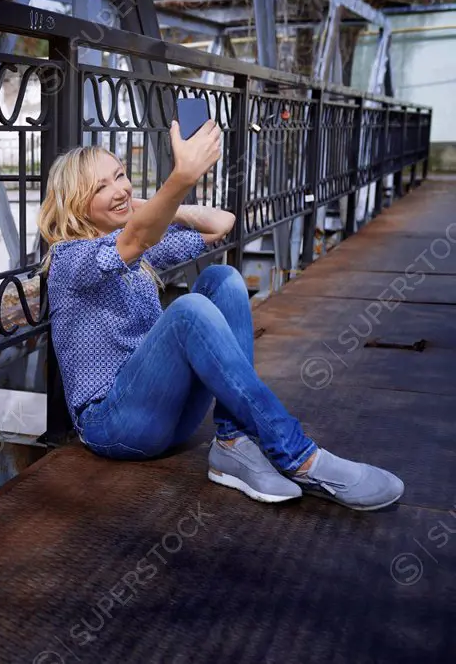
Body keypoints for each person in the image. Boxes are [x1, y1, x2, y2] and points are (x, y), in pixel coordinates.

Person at [39, 120, 404, 511]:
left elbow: (221, 225)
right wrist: (180, 178)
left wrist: (147, 206)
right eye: (100, 187)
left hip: (167, 415)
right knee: (188, 311)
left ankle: (232, 443)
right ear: (76, 204)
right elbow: (136, 239)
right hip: (113, 426)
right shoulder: (69, 260)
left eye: (121, 176)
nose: (120, 189)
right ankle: (299, 456)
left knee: (224, 279)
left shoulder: (134, 250)